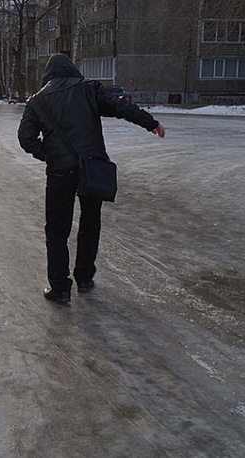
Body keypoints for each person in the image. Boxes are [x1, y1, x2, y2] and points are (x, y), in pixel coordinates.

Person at [18, 53, 165, 304]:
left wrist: (50, 155)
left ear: (48, 74)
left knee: (57, 229)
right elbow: (121, 107)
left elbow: (26, 138)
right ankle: (85, 277)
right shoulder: (88, 89)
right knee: (90, 223)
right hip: (92, 166)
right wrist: (150, 123)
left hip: (60, 172)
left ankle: (60, 288)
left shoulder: (37, 101)